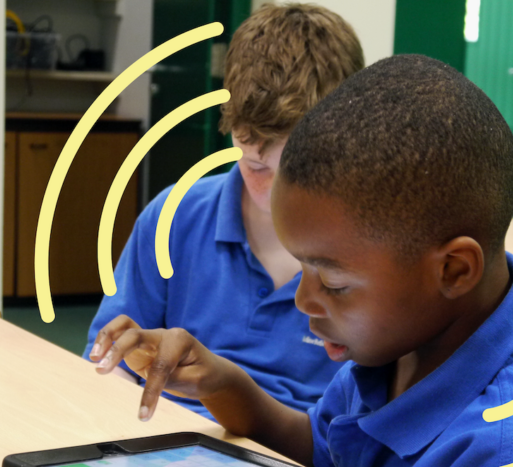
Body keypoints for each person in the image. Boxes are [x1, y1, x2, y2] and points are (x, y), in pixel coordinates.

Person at [90, 55, 513, 467]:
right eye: (303, 269)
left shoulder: (502, 462)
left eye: (332, 283)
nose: (303, 301)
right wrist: (224, 384)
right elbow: (319, 450)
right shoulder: (406, 346)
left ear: (453, 271)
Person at [84, 4, 365, 419]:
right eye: (255, 165)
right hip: (165, 439)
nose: (276, 193)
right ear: (232, 133)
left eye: (302, 171)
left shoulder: (374, 246)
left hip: (302, 456)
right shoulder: (175, 216)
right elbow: (105, 364)